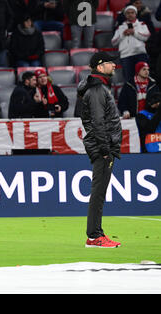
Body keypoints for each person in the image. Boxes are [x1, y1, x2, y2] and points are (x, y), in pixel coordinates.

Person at [77, 51, 122, 248]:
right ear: (100, 66)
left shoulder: (98, 88)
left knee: (100, 191)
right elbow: (98, 122)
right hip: (103, 147)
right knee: (98, 192)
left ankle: (95, 234)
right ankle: (95, 236)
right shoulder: (96, 90)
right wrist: (105, 149)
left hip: (103, 145)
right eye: (111, 63)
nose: (114, 66)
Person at [111, 5, 151, 82]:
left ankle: (143, 93)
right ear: (125, 15)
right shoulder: (120, 27)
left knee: (143, 78)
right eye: (128, 13)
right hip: (126, 56)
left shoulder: (142, 24)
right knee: (129, 80)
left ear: (135, 14)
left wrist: (134, 33)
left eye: (132, 12)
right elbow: (113, 42)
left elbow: (146, 36)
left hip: (140, 54)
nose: (130, 14)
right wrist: (123, 34)